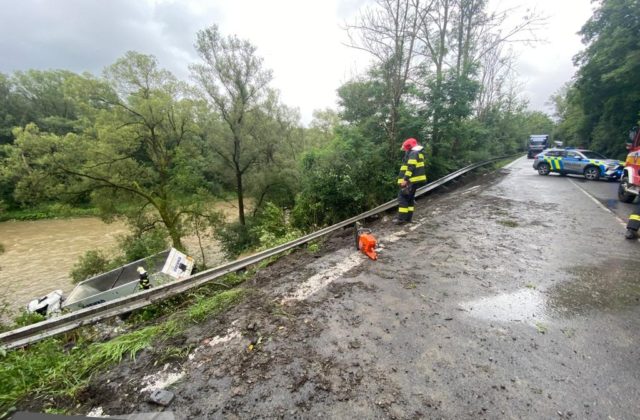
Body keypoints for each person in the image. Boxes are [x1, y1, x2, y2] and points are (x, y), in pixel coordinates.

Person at [394, 138, 427, 225]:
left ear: (409, 147)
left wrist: (405, 179)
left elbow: (411, 167)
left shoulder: (413, 153)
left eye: (405, 148)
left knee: (402, 198)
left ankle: (401, 219)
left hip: (410, 181)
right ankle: (408, 218)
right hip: (413, 181)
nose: (404, 150)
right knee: (410, 199)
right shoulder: (418, 152)